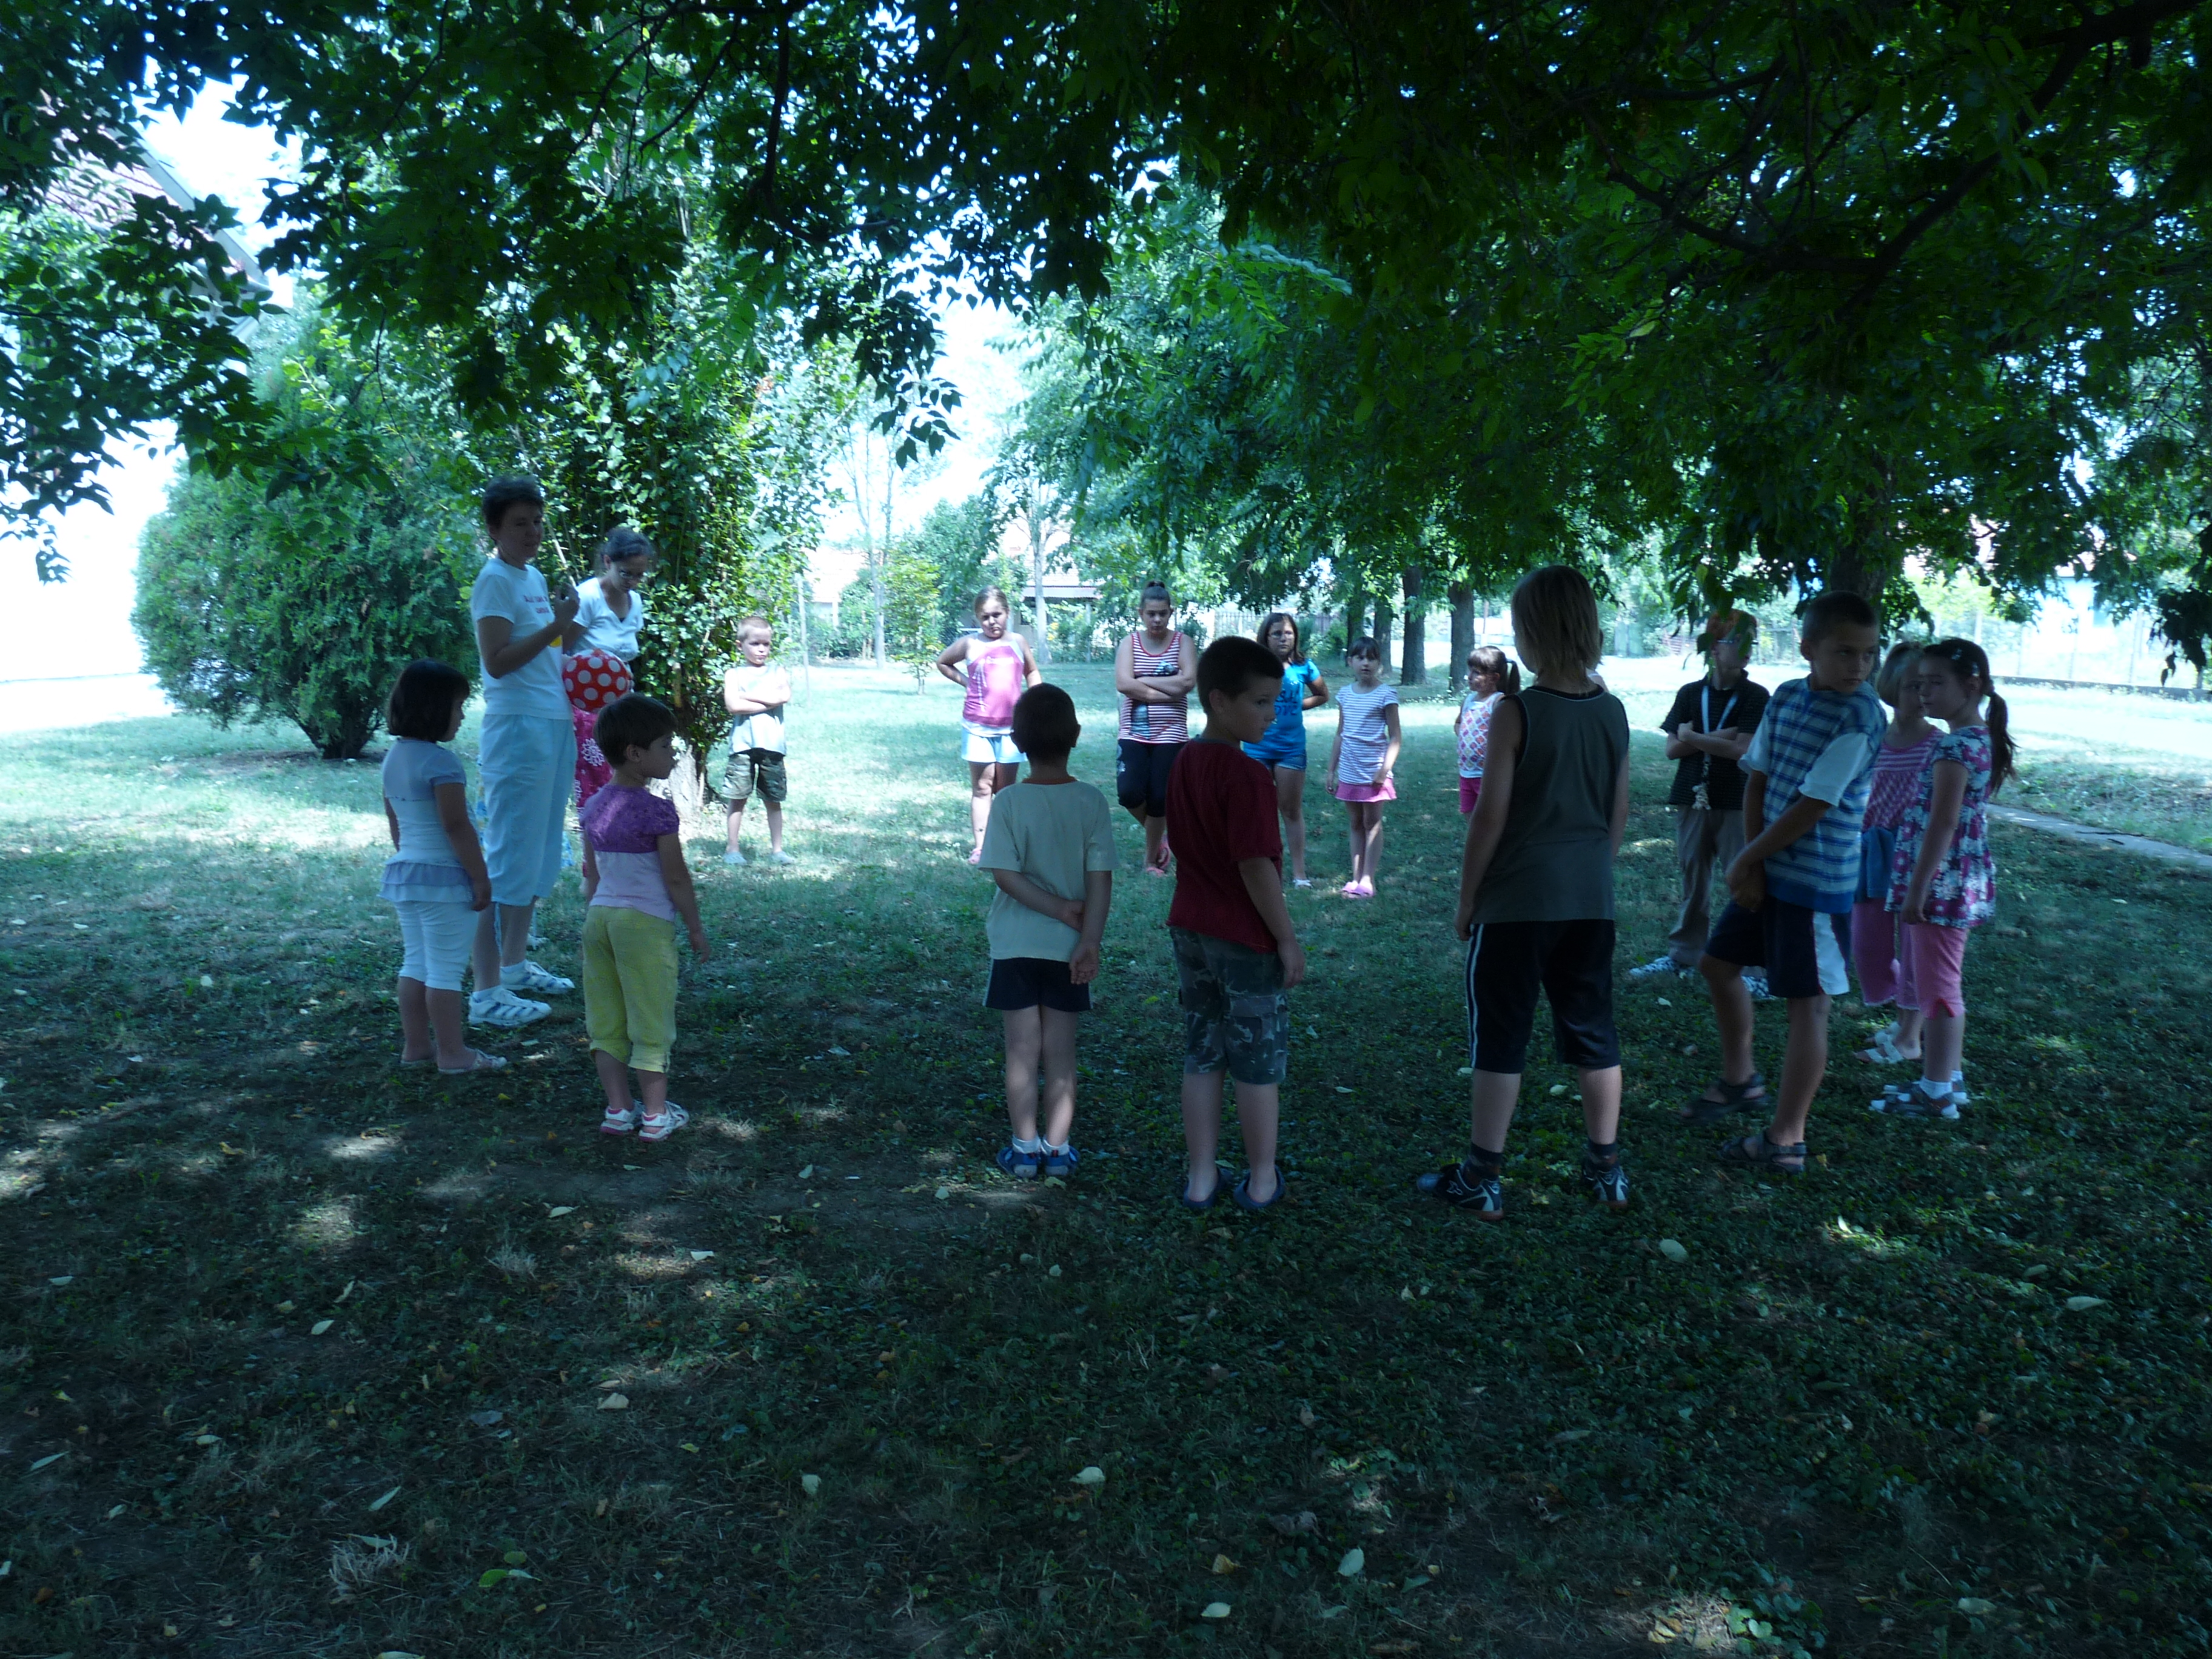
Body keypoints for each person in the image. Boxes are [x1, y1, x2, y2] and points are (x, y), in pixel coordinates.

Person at [1418, 566, 1632, 1219]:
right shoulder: (1613, 711)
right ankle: (1607, 1171)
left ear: (1532, 632)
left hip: (1516, 904)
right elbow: (1618, 815)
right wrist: (1588, 871)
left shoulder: (1517, 711)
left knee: (1501, 1035)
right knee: (1594, 1032)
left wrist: (1467, 899)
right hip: (1590, 901)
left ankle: (1482, 1177)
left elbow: (1489, 817)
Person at [1686, 591, 1885, 1174]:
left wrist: (1748, 860)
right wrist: (1752, 865)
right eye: (1844, 652)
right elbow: (1759, 779)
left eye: (1869, 654)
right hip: (1770, 870)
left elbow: (1813, 805)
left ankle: (1786, 1139)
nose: (1859, 666)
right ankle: (1741, 1079)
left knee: (1809, 1006)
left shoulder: (1861, 718)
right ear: (1808, 649)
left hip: (1814, 884)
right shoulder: (1788, 697)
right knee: (1717, 965)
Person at [1167, 636, 1305, 1213]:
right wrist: (1286, 938)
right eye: (1261, 702)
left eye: (1276, 702)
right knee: (1256, 1065)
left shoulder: (1184, 761)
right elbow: (1255, 866)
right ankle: (1262, 1180)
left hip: (1190, 929)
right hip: (1245, 940)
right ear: (1219, 700)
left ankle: (1201, 1178)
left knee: (1203, 1052)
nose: (1272, 715)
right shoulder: (1248, 776)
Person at [977, 685, 1116, 1179]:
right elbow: (1101, 879)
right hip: (1068, 950)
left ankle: (1023, 1150)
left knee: (1021, 1051)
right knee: (1061, 1051)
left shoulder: (1009, 801)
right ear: (1076, 735)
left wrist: (1056, 909)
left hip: (1015, 947)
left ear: (1016, 740)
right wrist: (1089, 938)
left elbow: (1004, 875)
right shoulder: (1091, 801)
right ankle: (1057, 1151)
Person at [1871, 638, 2013, 1121]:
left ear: (1971, 686)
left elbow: (1943, 822)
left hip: (1942, 882)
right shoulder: (1978, 738)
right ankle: (1948, 1081)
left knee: (1938, 989)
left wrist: (1918, 888)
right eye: (1919, 684)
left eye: (1935, 683)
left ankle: (1936, 1094)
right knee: (1941, 983)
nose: (1924, 693)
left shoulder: (1954, 745)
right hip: (1956, 879)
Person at [468, 475, 580, 1028]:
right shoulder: (494, 581)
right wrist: (557, 625)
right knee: (509, 854)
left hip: (553, 721)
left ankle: (513, 967)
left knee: (539, 852)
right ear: (494, 528)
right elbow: (497, 661)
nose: (533, 532)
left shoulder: (532, 576)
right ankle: (486, 992)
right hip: (518, 728)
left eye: (537, 521)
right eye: (519, 523)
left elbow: (549, 651)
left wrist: (570, 631)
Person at [581, 694, 711, 1142]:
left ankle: (619, 1109)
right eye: (665, 746)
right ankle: (656, 1115)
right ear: (635, 754)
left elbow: (591, 876)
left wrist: (593, 920)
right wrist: (695, 927)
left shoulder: (593, 806)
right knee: (650, 1019)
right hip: (644, 926)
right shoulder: (657, 811)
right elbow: (675, 878)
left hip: (600, 921)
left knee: (606, 1021)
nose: (673, 754)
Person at [1629, 610, 1772, 989]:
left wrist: (1694, 737)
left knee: (1744, 880)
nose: (1747, 650)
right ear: (1713, 647)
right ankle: (1684, 954)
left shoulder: (1757, 696)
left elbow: (1743, 750)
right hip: (1692, 798)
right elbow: (1671, 750)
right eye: (1737, 641)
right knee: (1694, 879)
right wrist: (1721, 736)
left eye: (1751, 642)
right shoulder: (1690, 694)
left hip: (1738, 801)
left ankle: (1754, 968)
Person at [380, 659, 503, 1076]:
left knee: (415, 963)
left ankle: (417, 1046)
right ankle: (453, 1053)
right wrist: (480, 877)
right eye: (457, 706)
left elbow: (395, 821)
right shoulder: (442, 763)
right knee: (446, 970)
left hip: (406, 874)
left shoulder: (393, 759)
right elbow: (456, 825)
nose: (462, 715)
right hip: (445, 881)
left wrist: (411, 858)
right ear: (433, 709)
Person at [1851, 643, 1939, 1072]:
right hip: (1870, 853)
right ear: (1891, 688)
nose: (1919, 696)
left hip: (1915, 856)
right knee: (1867, 943)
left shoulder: (1939, 745)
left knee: (1915, 945)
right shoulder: (1873, 739)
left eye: (1926, 687)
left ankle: (1908, 1037)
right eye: (1910, 686)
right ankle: (1902, 1018)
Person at [937, 587, 1043, 864]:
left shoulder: (1018, 642)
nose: (992, 621)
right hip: (977, 728)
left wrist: (1036, 701)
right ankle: (982, 847)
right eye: (985, 617)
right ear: (977, 618)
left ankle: (1007, 844)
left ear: (1007, 613)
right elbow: (943, 662)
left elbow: (1032, 672)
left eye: (997, 615)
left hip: (1012, 730)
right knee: (983, 787)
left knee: (1006, 790)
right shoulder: (970, 644)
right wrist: (966, 682)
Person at [1114, 581, 1196, 874]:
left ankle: (1150, 861)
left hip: (1172, 734)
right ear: (1141, 613)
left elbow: (1188, 682)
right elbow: (1124, 684)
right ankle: (1162, 837)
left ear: (1171, 612)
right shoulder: (1129, 643)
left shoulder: (1183, 643)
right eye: (1151, 614)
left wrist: (1143, 681)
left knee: (1161, 797)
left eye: (1162, 614)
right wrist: (1167, 690)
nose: (1157, 620)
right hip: (1133, 732)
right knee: (1129, 793)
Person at [1242, 611, 1329, 886]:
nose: (1283, 638)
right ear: (1266, 637)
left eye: (1288, 633)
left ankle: (1299, 873)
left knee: (1290, 810)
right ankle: (1263, 869)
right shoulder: (1252, 667)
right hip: (1257, 747)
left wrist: (1297, 706)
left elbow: (1322, 695)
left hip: (1291, 748)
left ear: (1296, 636)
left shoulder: (1304, 666)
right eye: (1277, 633)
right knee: (1258, 811)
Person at [1326, 637, 1401, 897]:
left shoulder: (1386, 694)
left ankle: (1369, 879)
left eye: (1371, 658)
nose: (1365, 663)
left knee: (1372, 823)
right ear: (1350, 662)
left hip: (1374, 772)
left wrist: (1384, 770)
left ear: (1379, 663)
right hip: (1349, 770)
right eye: (1360, 658)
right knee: (1356, 823)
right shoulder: (1345, 694)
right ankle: (1356, 877)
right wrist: (1331, 770)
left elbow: (1395, 737)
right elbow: (1341, 733)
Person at [721, 614, 795, 866]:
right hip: (742, 746)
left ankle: (778, 850)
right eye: (755, 644)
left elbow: (783, 697)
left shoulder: (778, 671)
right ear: (740, 645)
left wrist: (748, 696)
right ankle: (733, 849)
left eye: (766, 644)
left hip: (772, 746)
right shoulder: (734, 674)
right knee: (737, 798)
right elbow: (733, 706)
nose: (762, 649)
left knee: (773, 799)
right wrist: (768, 700)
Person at [566, 527, 653, 663]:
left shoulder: (635, 601)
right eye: (626, 573)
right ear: (608, 562)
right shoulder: (587, 597)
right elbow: (559, 650)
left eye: (639, 576)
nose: (633, 582)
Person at [1453, 645, 1518, 818]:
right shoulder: (1468, 700)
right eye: (1470, 671)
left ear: (1494, 678)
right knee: (1469, 813)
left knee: (1489, 816)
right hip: (1466, 772)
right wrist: (1464, 734)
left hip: (1487, 774)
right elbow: (1458, 723)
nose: (1469, 676)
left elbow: (1506, 735)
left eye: (1476, 673)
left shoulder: (1498, 701)